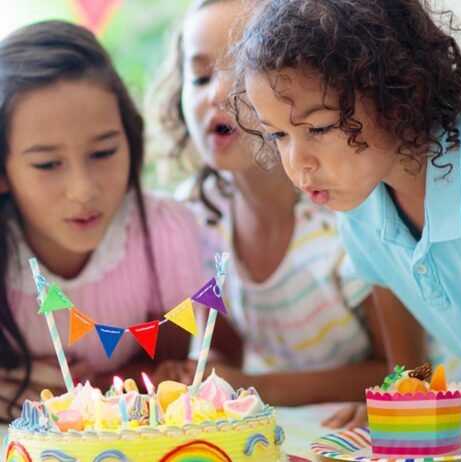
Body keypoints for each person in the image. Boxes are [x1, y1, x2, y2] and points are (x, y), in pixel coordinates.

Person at [230, 0, 461, 412]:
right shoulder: (361, 202)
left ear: (400, 90)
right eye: (278, 135)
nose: (296, 162)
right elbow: (400, 327)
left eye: (318, 127)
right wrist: (399, 403)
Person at [149, 0, 427, 407]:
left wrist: (258, 386)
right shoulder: (197, 213)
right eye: (200, 77)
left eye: (242, 72)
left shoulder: (348, 211)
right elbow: (226, 349)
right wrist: (202, 374)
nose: (218, 94)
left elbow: (402, 371)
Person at [0, 20, 206, 421]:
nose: (82, 190)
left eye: (103, 153)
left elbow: (164, 378)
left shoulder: (164, 234)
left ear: (130, 139)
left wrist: (86, 393)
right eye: (47, 163)